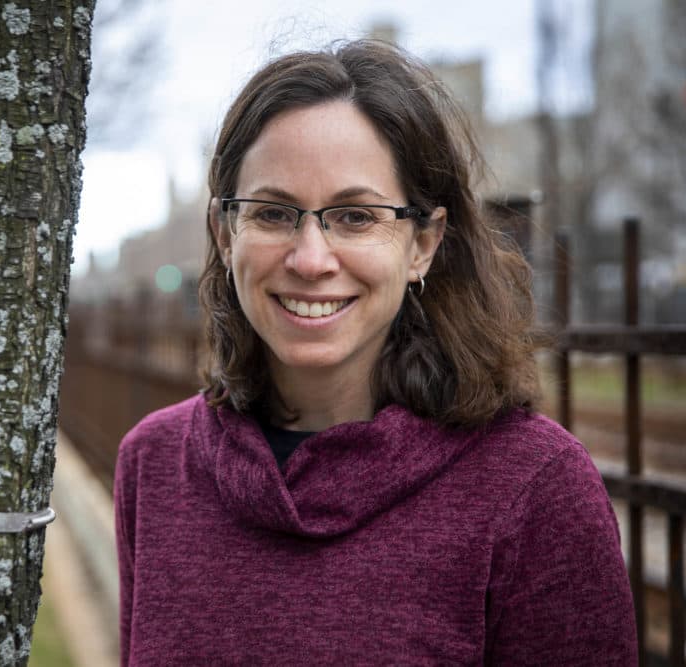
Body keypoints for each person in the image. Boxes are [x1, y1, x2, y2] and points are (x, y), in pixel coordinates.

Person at [114, 39, 637, 665]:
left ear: (424, 244)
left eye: (356, 216)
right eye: (274, 213)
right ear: (225, 234)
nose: (310, 259)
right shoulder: (154, 465)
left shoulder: (536, 489)